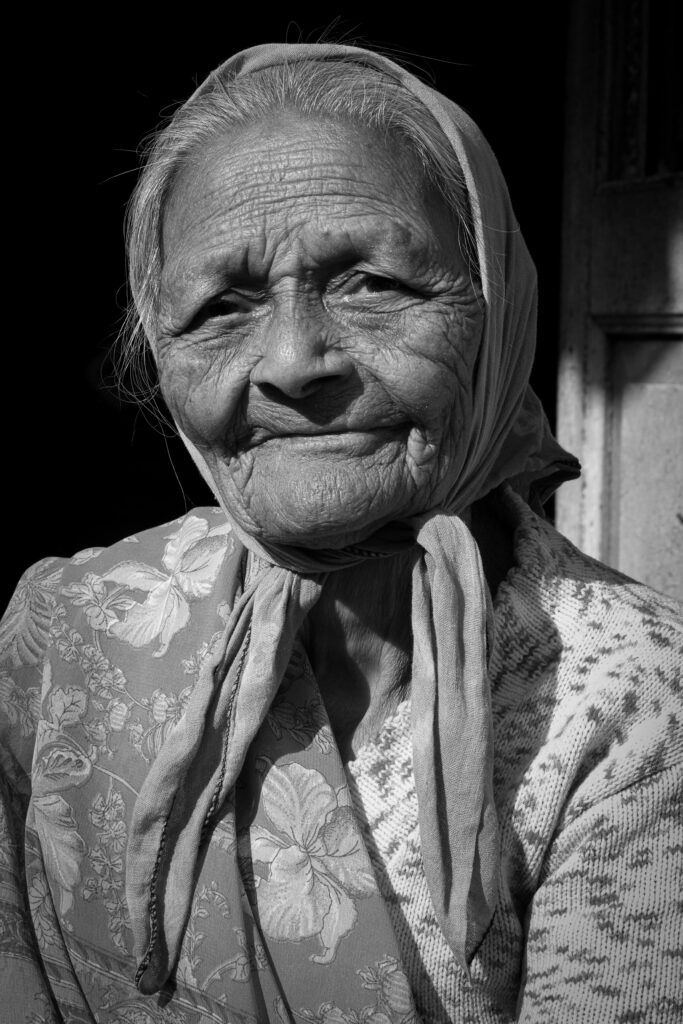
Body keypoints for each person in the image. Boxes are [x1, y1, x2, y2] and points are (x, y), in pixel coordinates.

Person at [0, 41, 681, 1024]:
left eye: (368, 281)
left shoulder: (631, 693)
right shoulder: (66, 633)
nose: (290, 361)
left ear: (495, 309)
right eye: (220, 304)